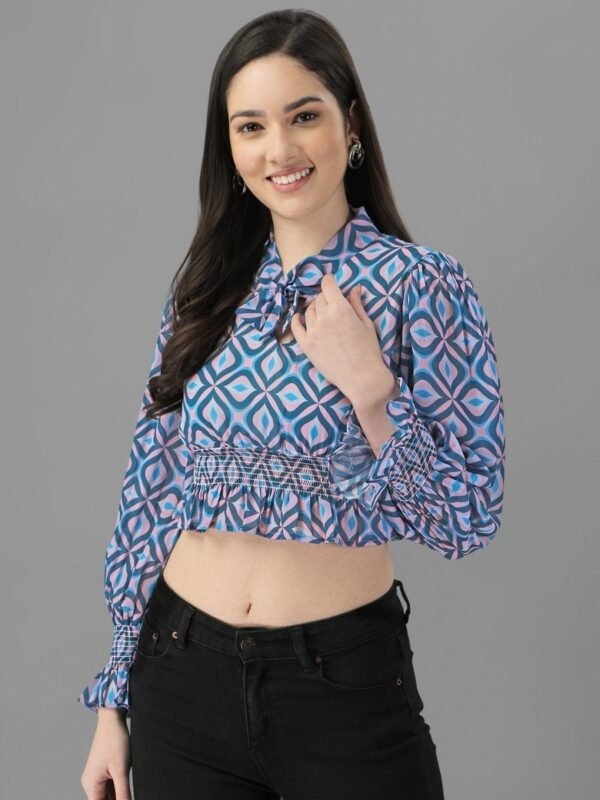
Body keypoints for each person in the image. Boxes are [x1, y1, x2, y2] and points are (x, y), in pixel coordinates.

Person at [79, 8, 505, 800]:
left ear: (350, 124)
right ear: (230, 147)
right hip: (179, 676)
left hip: (341, 687)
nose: (278, 150)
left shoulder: (423, 287)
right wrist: (114, 699)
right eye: (251, 126)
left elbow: (467, 519)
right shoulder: (207, 290)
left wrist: (373, 392)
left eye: (303, 116)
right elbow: (151, 492)